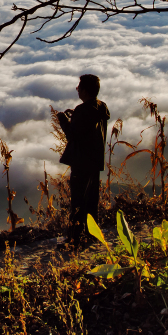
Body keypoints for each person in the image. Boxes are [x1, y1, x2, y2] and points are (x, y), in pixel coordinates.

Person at [56, 74, 110, 248]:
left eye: (79, 86)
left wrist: (63, 120)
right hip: (95, 160)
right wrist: (74, 118)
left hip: (81, 161)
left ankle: (74, 239)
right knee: (91, 201)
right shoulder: (101, 107)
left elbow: (73, 136)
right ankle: (91, 234)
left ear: (85, 90)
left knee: (77, 202)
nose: (77, 89)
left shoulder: (83, 110)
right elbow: (87, 129)